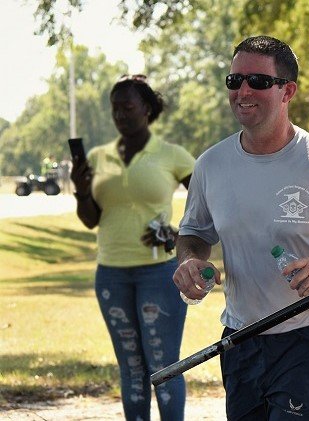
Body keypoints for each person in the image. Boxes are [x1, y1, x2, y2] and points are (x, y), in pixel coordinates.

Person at [173, 35, 309, 420]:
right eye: (235, 81)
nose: (243, 91)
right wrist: (189, 261)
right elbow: (195, 233)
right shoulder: (211, 165)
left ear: (288, 91)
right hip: (240, 341)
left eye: (259, 82)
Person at [70, 74, 195, 420]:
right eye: (115, 108)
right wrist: (81, 190)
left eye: (128, 107)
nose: (120, 115)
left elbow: (207, 203)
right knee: (132, 367)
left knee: (164, 364)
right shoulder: (98, 157)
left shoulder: (172, 155)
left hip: (160, 273)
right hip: (111, 275)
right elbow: (90, 219)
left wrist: (176, 234)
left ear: (148, 108)